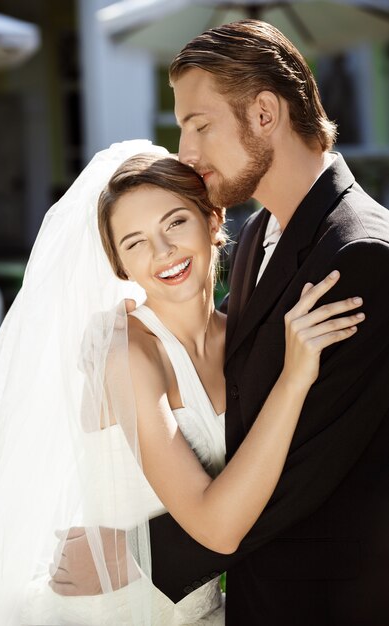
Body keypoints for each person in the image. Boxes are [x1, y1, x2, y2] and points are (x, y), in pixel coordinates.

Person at [54, 19, 389, 626]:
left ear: (264, 113)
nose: (184, 152)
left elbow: (303, 471)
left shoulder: (362, 256)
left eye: (198, 125)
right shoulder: (261, 231)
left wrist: (137, 552)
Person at [0, 141, 361, 626]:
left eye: (175, 222)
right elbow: (216, 526)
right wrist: (294, 380)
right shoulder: (125, 353)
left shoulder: (246, 340)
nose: (162, 252)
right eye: (134, 243)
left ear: (214, 220)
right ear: (121, 267)